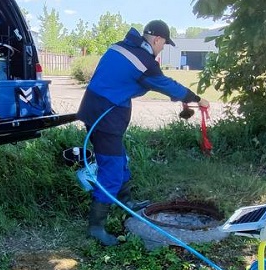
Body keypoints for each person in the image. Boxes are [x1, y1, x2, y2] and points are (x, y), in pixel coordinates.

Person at [77, 20, 210, 246]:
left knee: (120, 160)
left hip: (98, 111)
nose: (161, 50)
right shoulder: (143, 61)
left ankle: (127, 202)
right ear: (157, 39)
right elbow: (166, 85)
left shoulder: (122, 46)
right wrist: (196, 99)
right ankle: (96, 227)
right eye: (164, 45)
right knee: (111, 170)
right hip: (105, 118)